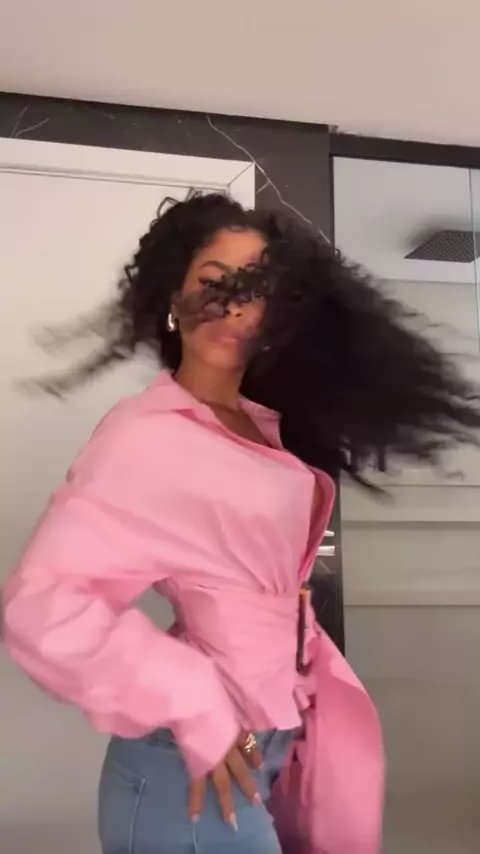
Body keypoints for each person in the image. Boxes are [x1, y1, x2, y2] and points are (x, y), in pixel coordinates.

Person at [3, 193, 480, 854]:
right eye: (212, 282)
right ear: (173, 295)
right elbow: (41, 607)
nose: (232, 306)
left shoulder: (259, 424)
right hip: (190, 771)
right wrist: (193, 697)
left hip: (262, 740)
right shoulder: (145, 436)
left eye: (254, 290)